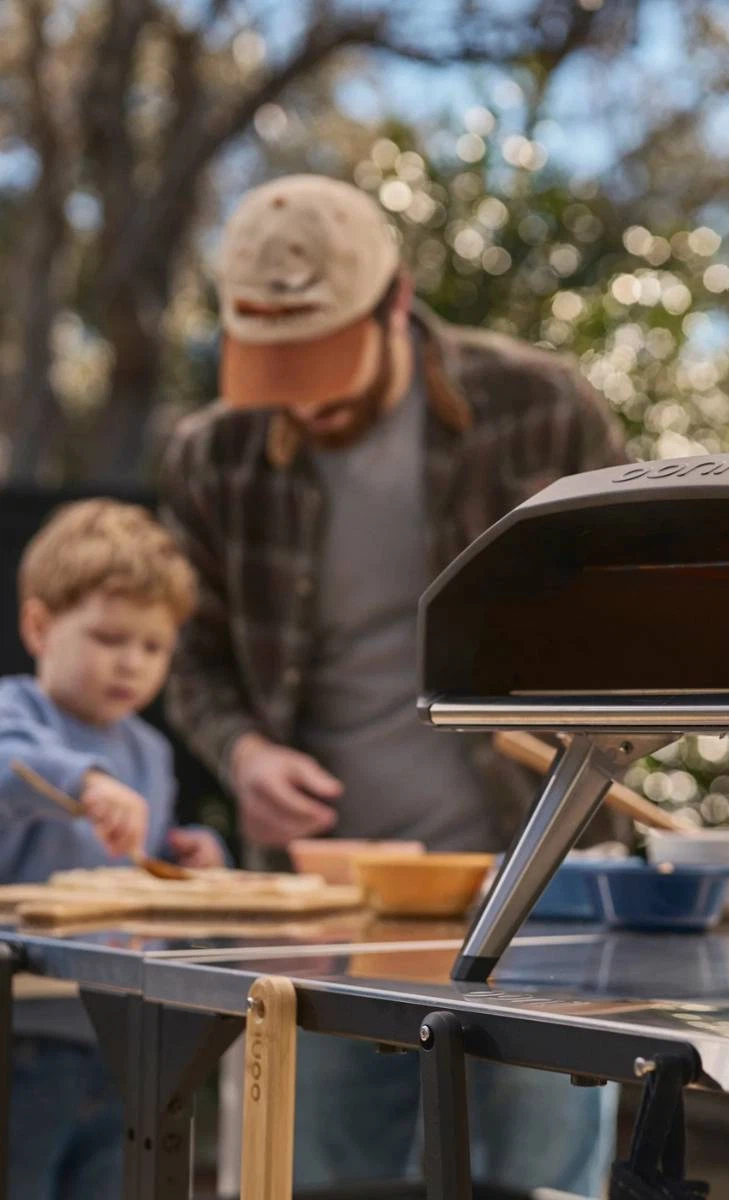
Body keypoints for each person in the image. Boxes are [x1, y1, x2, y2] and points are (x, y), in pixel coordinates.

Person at [160, 173, 629, 1195]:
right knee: (320, 1177)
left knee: (542, 1178)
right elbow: (187, 653)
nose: (306, 399)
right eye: (276, 368)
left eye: (324, 360)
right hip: (319, 910)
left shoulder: (540, 410)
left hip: (538, 887)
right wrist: (243, 752)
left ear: (398, 301)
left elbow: (637, 610)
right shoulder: (212, 454)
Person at [0, 499, 227, 1200]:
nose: (131, 663)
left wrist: (193, 855)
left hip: (128, 1037)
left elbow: (141, 856)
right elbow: (10, 764)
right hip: (26, 1035)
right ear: (39, 625)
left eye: (153, 647)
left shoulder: (149, 750)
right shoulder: (17, 712)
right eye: (108, 637)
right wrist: (85, 782)